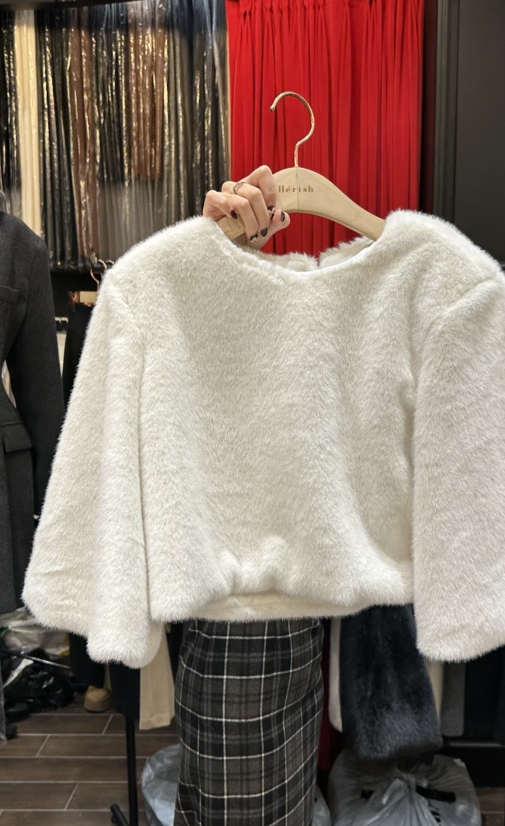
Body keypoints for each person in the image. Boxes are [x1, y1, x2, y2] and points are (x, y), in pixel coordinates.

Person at [171, 168, 318, 826]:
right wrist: (210, 256)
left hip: (298, 627)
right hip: (241, 634)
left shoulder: (310, 308)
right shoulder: (193, 314)